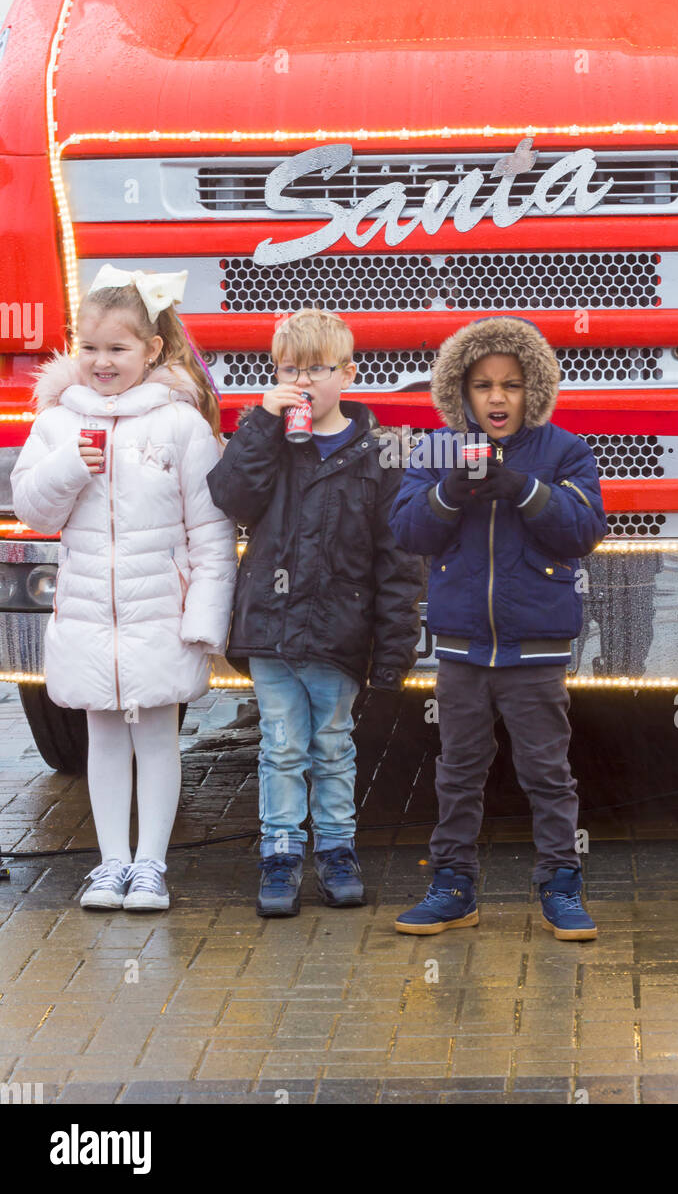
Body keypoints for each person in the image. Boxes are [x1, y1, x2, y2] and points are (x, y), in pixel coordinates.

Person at [11, 266, 237, 911]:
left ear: (152, 350)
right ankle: (110, 864)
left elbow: (210, 532)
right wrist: (65, 467)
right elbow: (35, 511)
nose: (102, 362)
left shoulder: (181, 427)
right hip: (86, 614)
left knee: (157, 737)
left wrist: (203, 619)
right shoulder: (57, 423)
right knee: (103, 739)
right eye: (90, 348)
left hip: (159, 615)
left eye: (118, 349)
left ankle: (151, 866)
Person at [388, 316, 607, 940]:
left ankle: (561, 885)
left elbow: (584, 530)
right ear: (462, 390)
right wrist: (451, 492)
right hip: (461, 648)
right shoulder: (435, 449)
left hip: (535, 648)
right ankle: (453, 885)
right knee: (457, 770)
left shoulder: (563, 449)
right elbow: (406, 530)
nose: (497, 398)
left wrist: (522, 489)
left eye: (511, 385)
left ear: (532, 389)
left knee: (547, 772)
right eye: (483, 385)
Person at [206, 309, 422, 918]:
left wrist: (394, 650)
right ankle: (279, 853)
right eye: (289, 369)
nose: (304, 381)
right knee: (279, 745)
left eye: (318, 369)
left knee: (332, 744)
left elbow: (396, 560)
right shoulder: (268, 438)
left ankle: (336, 848)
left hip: (338, 633)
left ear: (348, 373)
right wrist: (261, 428)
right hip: (272, 628)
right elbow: (230, 497)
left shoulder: (378, 456)